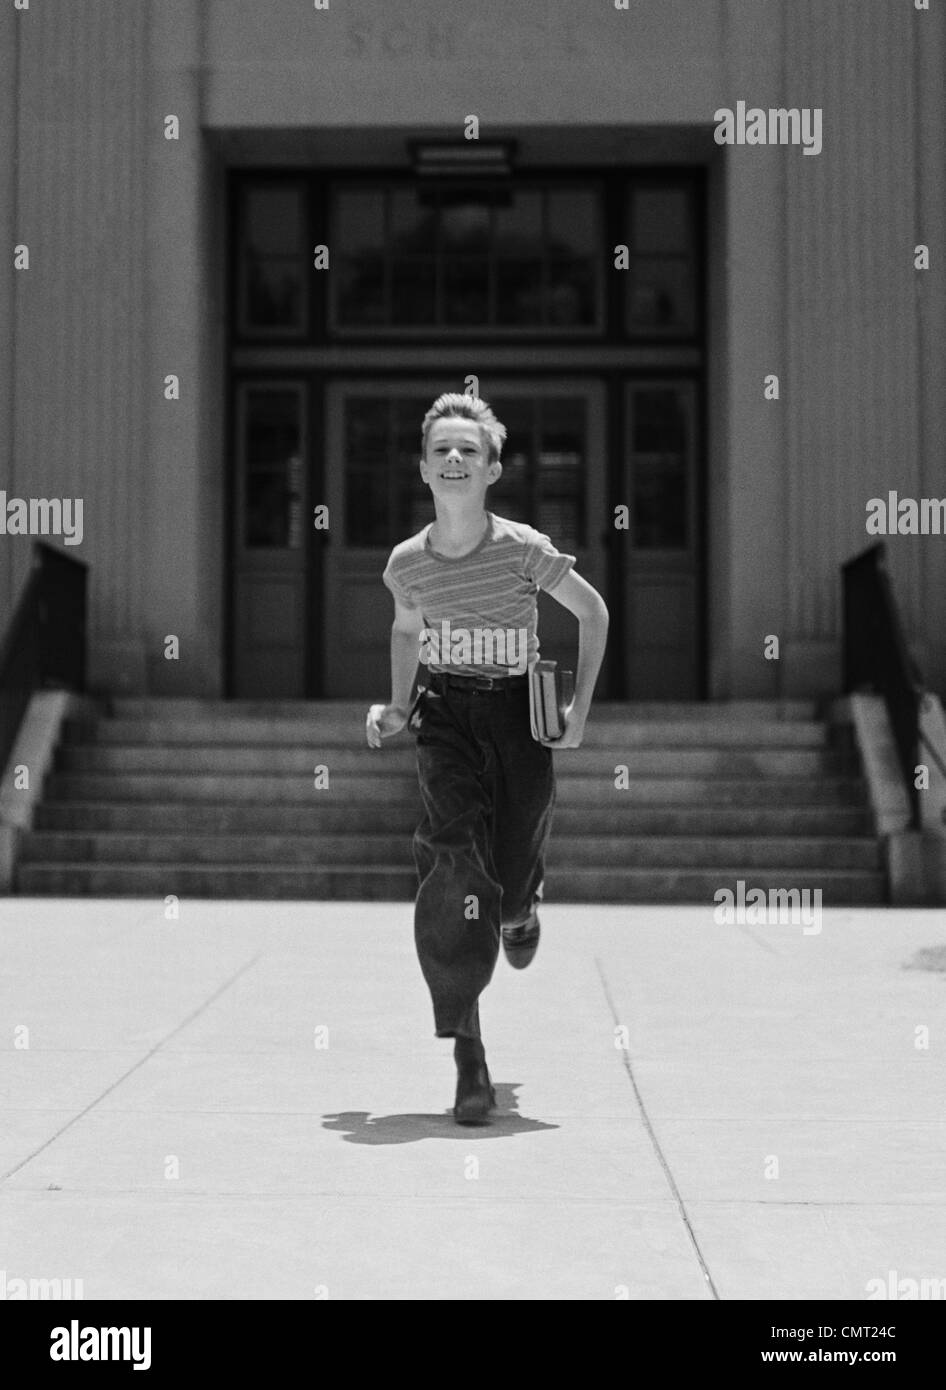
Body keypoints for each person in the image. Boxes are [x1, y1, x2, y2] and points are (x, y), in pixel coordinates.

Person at [366, 393, 609, 1123]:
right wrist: (399, 707)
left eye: (469, 450)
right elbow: (408, 633)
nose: (454, 460)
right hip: (446, 719)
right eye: (441, 449)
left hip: (519, 718)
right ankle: (468, 1057)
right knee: (451, 860)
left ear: (493, 468)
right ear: (422, 468)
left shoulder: (524, 549)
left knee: (507, 871)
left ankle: (519, 909)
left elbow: (592, 612)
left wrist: (579, 714)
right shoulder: (408, 562)